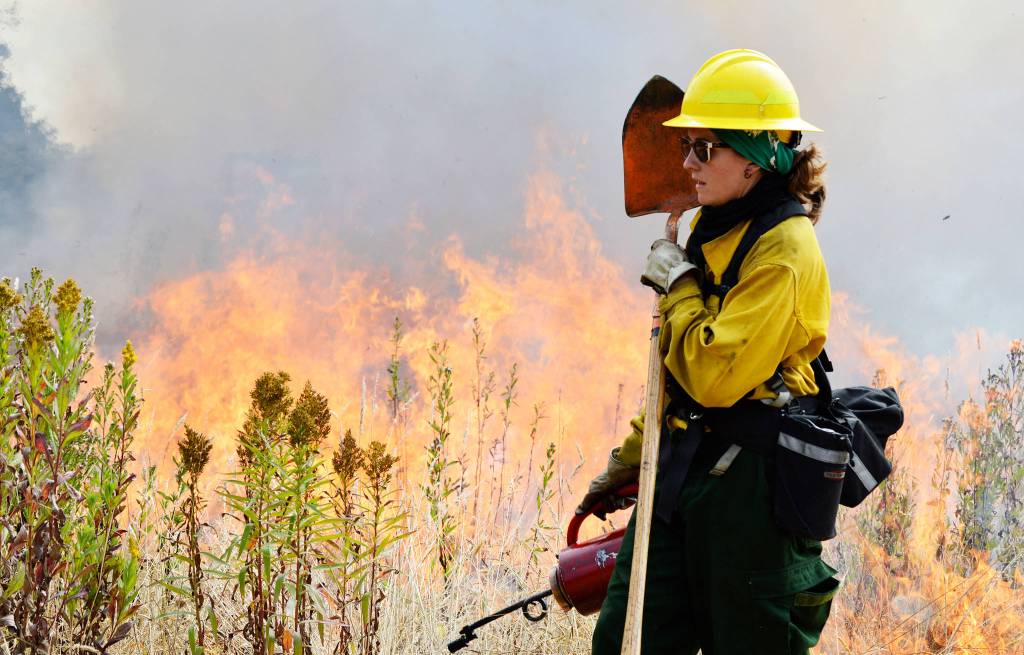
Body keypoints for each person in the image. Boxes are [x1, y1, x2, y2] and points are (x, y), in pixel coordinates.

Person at [578, 49, 839, 654]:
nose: (688, 162)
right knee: (625, 642)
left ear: (754, 158)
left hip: (751, 495)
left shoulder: (785, 252)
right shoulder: (713, 226)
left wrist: (680, 285)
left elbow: (713, 375)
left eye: (704, 147)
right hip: (683, 475)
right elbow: (672, 377)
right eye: (686, 145)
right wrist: (628, 460)